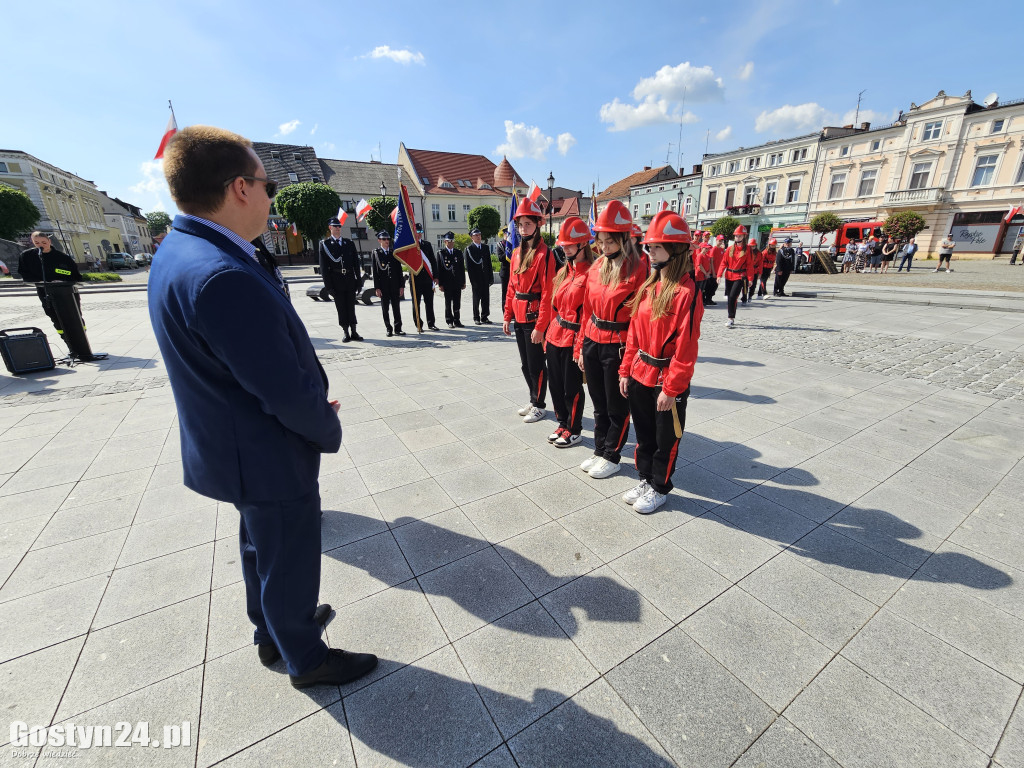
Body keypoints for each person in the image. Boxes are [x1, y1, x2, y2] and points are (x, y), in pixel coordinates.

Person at [147, 125, 376, 688]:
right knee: (289, 553)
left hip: (235, 443)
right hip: (264, 450)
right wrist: (323, 425)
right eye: (267, 185)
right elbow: (279, 391)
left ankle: (273, 630)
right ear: (239, 188)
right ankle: (306, 658)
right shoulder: (221, 274)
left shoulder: (182, 250)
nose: (271, 196)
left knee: (261, 546)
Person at [620, 211, 703, 514]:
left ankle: (659, 486)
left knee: (665, 438)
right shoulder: (648, 287)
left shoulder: (687, 292)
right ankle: (645, 479)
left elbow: (686, 346)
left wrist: (672, 388)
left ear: (676, 249)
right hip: (641, 372)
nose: (650, 252)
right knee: (643, 434)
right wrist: (626, 370)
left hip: (666, 377)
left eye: (656, 247)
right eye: (649, 246)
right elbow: (634, 333)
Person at [575, 200, 647, 479]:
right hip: (593, 340)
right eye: (600, 241)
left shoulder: (638, 269)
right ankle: (599, 449)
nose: (603, 247)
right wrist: (581, 347)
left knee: (616, 405)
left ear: (624, 239)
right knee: (598, 403)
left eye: (609, 241)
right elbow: (587, 310)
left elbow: (638, 320)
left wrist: (628, 363)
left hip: (618, 344)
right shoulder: (596, 267)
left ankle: (612, 455)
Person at [503, 197, 555, 423]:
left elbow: (548, 293)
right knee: (526, 364)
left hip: (534, 317)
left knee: (536, 364)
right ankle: (534, 399)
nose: (523, 229)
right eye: (520, 224)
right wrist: (507, 316)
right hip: (519, 315)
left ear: (538, 224)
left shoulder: (545, 254)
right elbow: (511, 287)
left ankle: (540, 405)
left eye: (528, 224)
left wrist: (541, 326)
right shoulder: (516, 253)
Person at [545, 216, 592, 448]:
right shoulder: (565, 272)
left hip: (574, 337)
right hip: (555, 334)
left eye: (570, 245)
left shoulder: (590, 274)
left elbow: (588, 315)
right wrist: (547, 334)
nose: (565, 249)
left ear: (583, 244)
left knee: (571, 387)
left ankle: (574, 429)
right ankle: (562, 423)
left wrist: (580, 346)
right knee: (555, 384)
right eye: (563, 245)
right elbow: (554, 306)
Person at [18, 231, 84, 336]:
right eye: (37, 243)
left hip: (67, 292)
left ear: (49, 241)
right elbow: (24, 273)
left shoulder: (63, 258)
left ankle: (81, 336)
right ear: (33, 242)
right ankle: (65, 338)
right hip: (45, 291)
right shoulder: (27, 256)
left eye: (44, 242)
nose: (41, 245)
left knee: (74, 315)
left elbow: (75, 275)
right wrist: (40, 281)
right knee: (53, 315)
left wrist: (62, 280)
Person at [318, 217, 362, 341]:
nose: (338, 228)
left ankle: (354, 331)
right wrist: (328, 286)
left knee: (351, 307)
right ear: (330, 228)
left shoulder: (349, 243)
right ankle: (346, 332)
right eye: (335, 226)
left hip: (349, 279)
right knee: (341, 307)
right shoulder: (325, 244)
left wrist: (359, 281)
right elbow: (324, 268)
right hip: (336, 281)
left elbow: (356, 264)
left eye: (339, 226)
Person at [717, 225, 756, 326]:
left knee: (733, 297)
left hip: (740, 276)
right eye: (736, 236)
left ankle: (731, 318)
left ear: (744, 236)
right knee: (729, 297)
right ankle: (731, 317)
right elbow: (723, 263)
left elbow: (750, 265)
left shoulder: (748, 250)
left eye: (739, 236)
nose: (737, 238)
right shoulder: (730, 249)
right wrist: (719, 275)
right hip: (729, 275)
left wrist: (750, 279)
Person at [371, 230, 405, 337]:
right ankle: (388, 328)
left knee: (396, 308)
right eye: (384, 239)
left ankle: (398, 328)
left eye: (388, 239)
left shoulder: (393, 252)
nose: (387, 241)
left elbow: (399, 271)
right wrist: (377, 288)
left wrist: (401, 286)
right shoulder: (376, 253)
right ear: (379, 240)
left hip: (394, 285)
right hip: (383, 286)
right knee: (385, 309)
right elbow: (375, 272)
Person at [413, 224, 439, 331]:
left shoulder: (427, 245)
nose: (419, 234)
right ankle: (418, 324)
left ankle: (431, 323)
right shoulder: (410, 245)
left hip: (428, 279)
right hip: (415, 279)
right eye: (417, 232)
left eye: (420, 232)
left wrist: (435, 276)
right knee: (416, 304)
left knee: (429, 303)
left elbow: (433, 261)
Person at [464, 227, 493, 324]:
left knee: (486, 298)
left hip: (485, 277)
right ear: (472, 237)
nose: (478, 237)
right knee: (476, 299)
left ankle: (485, 316)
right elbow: (469, 267)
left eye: (479, 235)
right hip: (476, 278)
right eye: (476, 235)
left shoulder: (485, 247)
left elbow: (489, 263)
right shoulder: (469, 249)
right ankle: (476, 317)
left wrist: (490, 277)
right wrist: (473, 281)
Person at [437, 231, 465, 327]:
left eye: (452, 241)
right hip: (447, 282)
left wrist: (463, 282)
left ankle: (457, 320)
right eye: (449, 241)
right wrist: (440, 284)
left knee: (457, 302)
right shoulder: (441, 253)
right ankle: (449, 320)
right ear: (445, 242)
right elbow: (439, 269)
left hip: (457, 281)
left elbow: (461, 268)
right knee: (448, 302)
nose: (451, 243)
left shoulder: (458, 252)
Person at [703, 234, 726, 305]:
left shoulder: (721, 250)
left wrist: (721, 273)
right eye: (719, 240)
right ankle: (707, 299)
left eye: (722, 240)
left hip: (718, 272)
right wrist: (713, 272)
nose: (720, 242)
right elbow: (711, 262)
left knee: (715, 287)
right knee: (710, 287)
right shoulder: (714, 249)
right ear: (716, 240)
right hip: (713, 272)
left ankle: (709, 299)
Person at [497, 227, 511, 312]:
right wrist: (508, 251)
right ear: (504, 235)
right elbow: (501, 258)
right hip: (505, 272)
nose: (508, 236)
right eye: (506, 234)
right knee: (505, 293)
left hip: (513, 272)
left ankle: (513, 312)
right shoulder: (500, 245)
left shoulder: (514, 244)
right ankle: (505, 311)